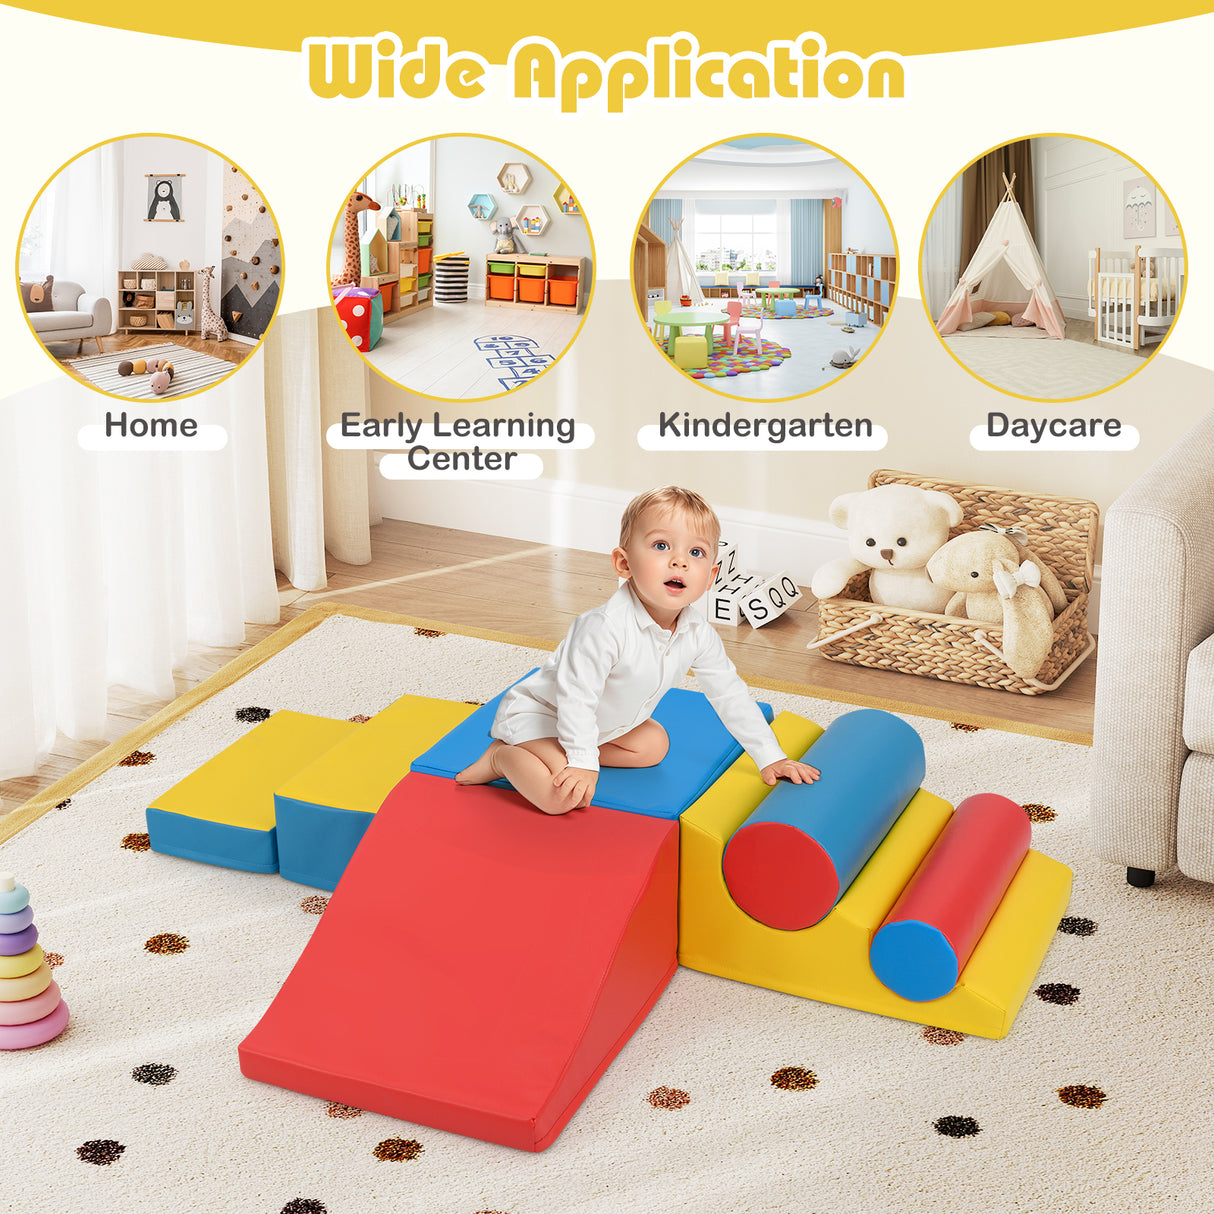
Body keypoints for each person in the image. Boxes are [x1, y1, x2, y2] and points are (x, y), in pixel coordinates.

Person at [456, 486, 820, 814]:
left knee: (654, 745)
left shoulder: (698, 633)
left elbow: (730, 695)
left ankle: (555, 754)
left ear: (710, 577)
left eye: (696, 552)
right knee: (562, 797)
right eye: (662, 546)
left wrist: (770, 757)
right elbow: (576, 698)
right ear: (624, 563)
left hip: (601, 726)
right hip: (541, 716)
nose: (679, 561)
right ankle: (502, 757)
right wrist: (582, 761)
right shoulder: (602, 628)